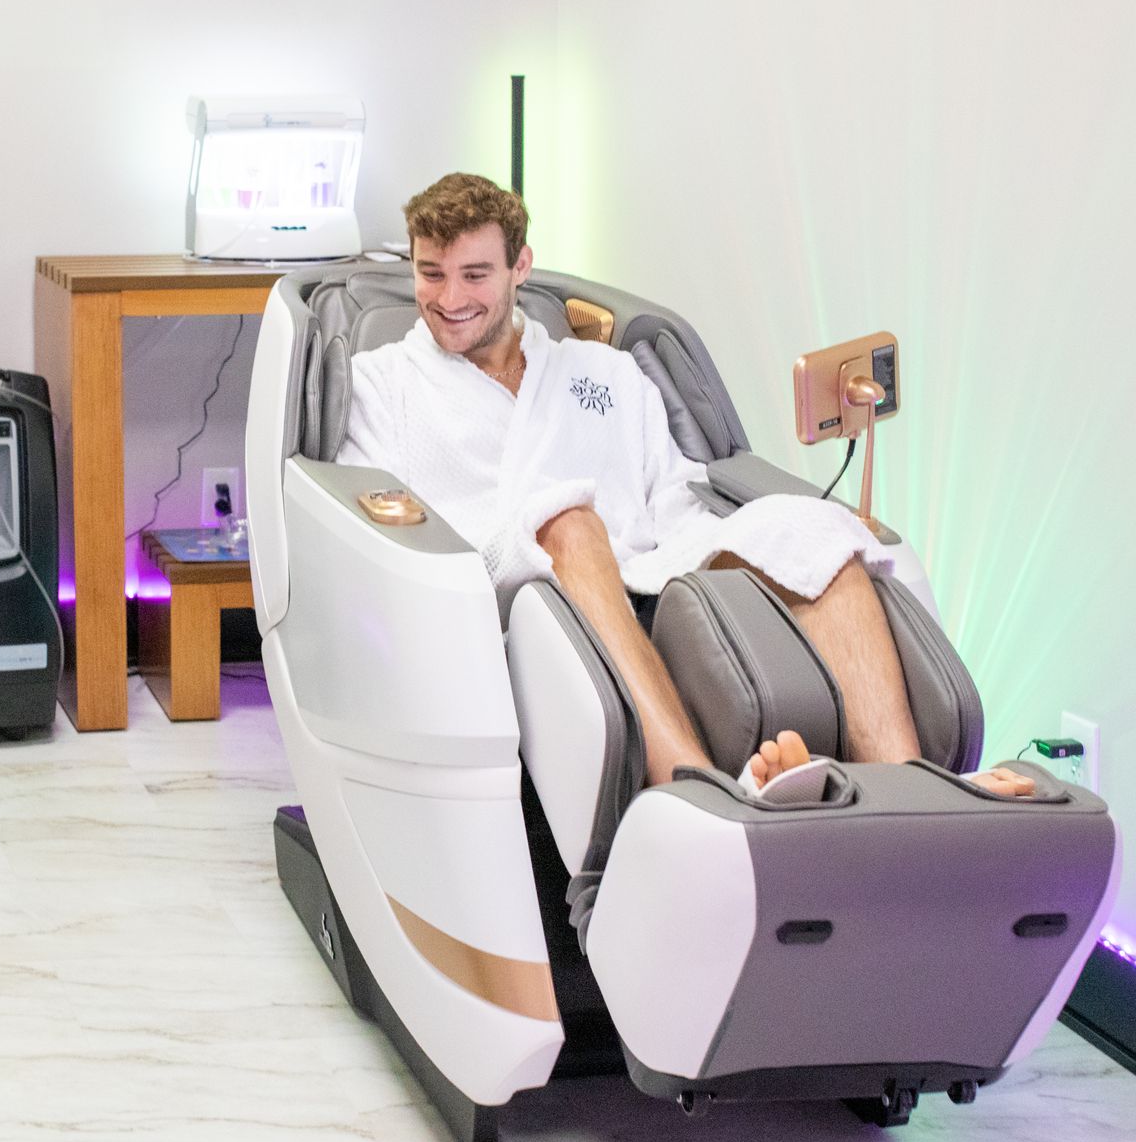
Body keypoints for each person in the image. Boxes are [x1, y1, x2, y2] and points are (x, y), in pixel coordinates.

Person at [337, 173, 1032, 799]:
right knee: (571, 521)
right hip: (496, 577)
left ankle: (910, 793)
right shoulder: (383, 383)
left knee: (818, 527)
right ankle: (703, 795)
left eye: (475, 274)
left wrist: (734, 543)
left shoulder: (601, 373)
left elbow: (673, 492)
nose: (449, 299)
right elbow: (373, 522)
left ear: (522, 266)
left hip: (641, 557)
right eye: (431, 274)